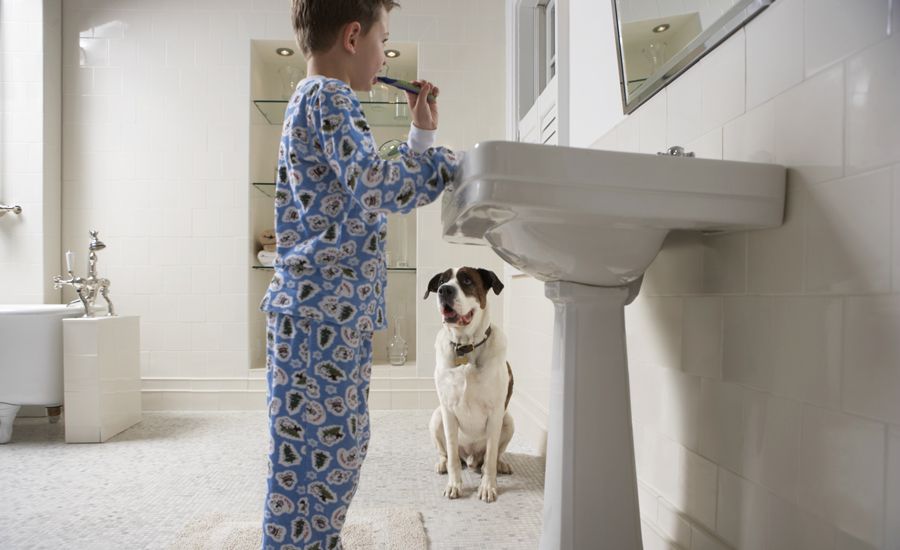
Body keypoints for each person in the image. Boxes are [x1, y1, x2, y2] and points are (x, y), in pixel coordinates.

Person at [258, 1, 461, 548]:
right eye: (384, 40)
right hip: (318, 312)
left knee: (323, 454)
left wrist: (419, 137)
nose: (384, 56)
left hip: (318, 312)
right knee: (323, 457)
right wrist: (444, 162)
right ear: (353, 37)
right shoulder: (330, 95)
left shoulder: (312, 98)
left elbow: (360, 193)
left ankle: (314, 539)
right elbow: (376, 185)